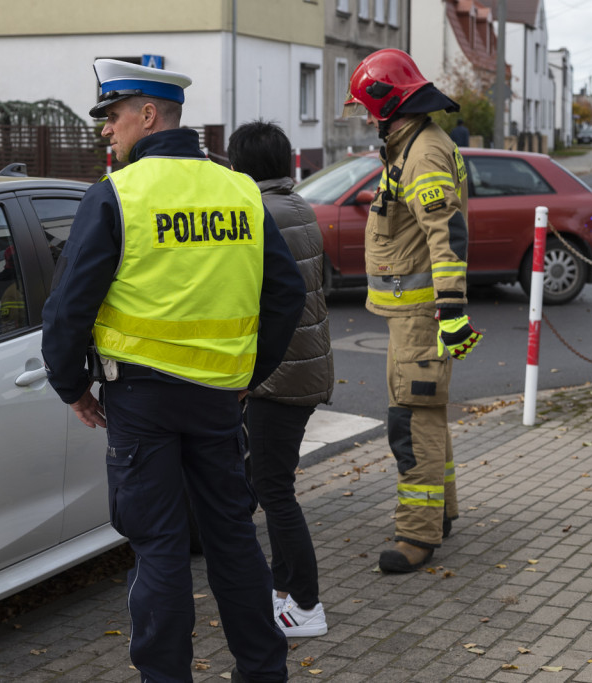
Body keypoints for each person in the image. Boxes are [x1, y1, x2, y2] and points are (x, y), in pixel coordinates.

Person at [42, 59, 306, 683]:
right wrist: (247, 372)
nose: (107, 130)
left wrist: (71, 386)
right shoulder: (240, 189)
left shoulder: (119, 195)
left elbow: (69, 305)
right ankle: (263, 671)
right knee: (232, 538)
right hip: (219, 400)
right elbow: (286, 294)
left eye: (113, 116)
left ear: (148, 115)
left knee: (158, 546)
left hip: (142, 401)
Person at [343, 49, 483, 573]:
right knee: (427, 414)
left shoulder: (421, 153)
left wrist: (450, 312)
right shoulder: (413, 146)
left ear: (386, 103)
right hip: (413, 313)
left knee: (412, 421)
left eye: (367, 108)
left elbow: (445, 234)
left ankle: (416, 535)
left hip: (422, 314)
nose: (366, 119)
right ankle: (440, 512)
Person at [227, 120, 334, 637]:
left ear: (239, 166)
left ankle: (308, 606)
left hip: (279, 375)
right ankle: (283, 588)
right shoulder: (300, 207)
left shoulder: (257, 214)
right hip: (307, 364)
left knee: (274, 489)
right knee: (271, 481)